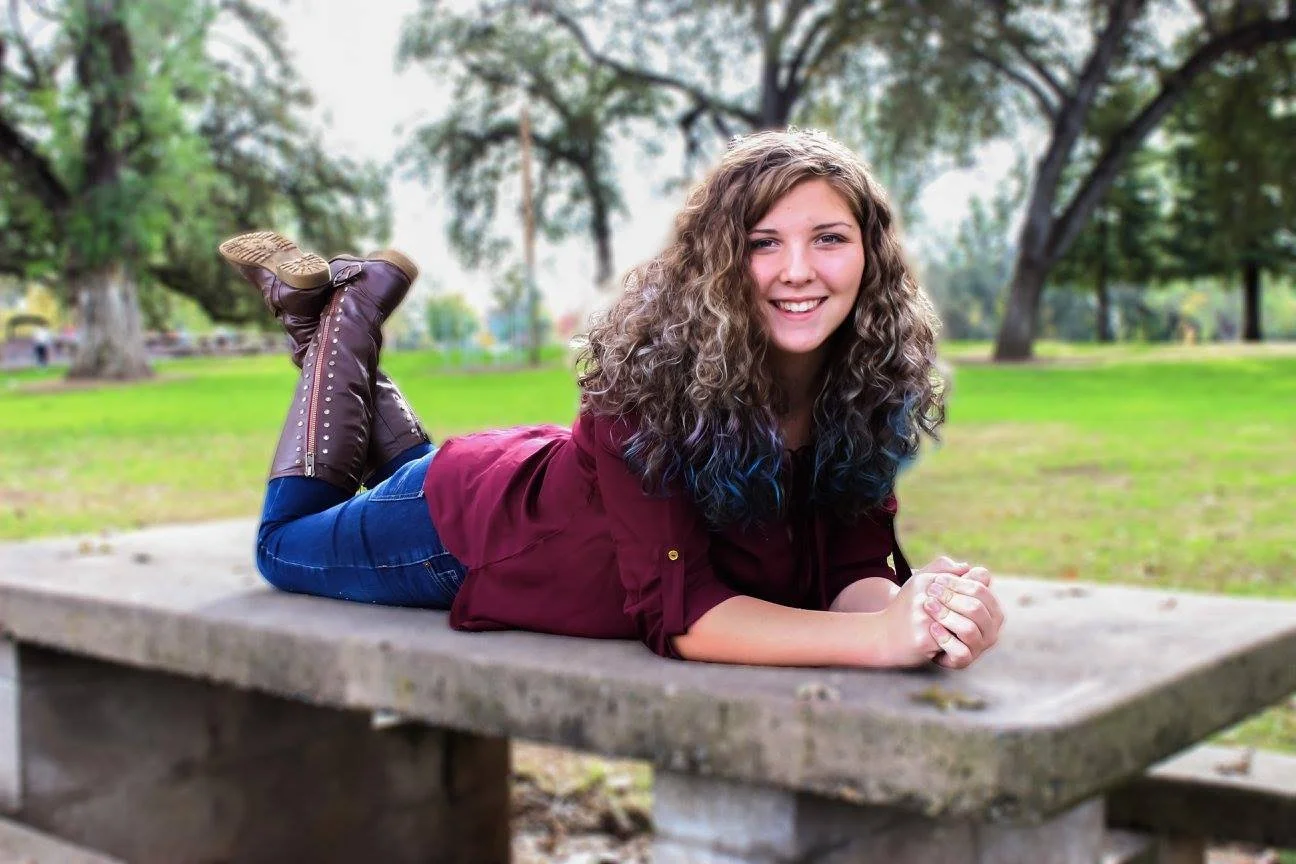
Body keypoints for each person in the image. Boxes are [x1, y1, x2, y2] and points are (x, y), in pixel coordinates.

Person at [223, 129, 1004, 669]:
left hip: (530, 480)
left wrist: (927, 615)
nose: (798, 269)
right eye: (764, 242)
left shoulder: (862, 385)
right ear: (720, 261)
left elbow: (852, 569)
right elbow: (685, 613)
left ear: (869, 256)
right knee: (280, 545)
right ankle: (345, 313)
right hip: (464, 534)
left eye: (828, 237)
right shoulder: (651, 387)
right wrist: (879, 641)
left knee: (408, 467)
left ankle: (314, 321)